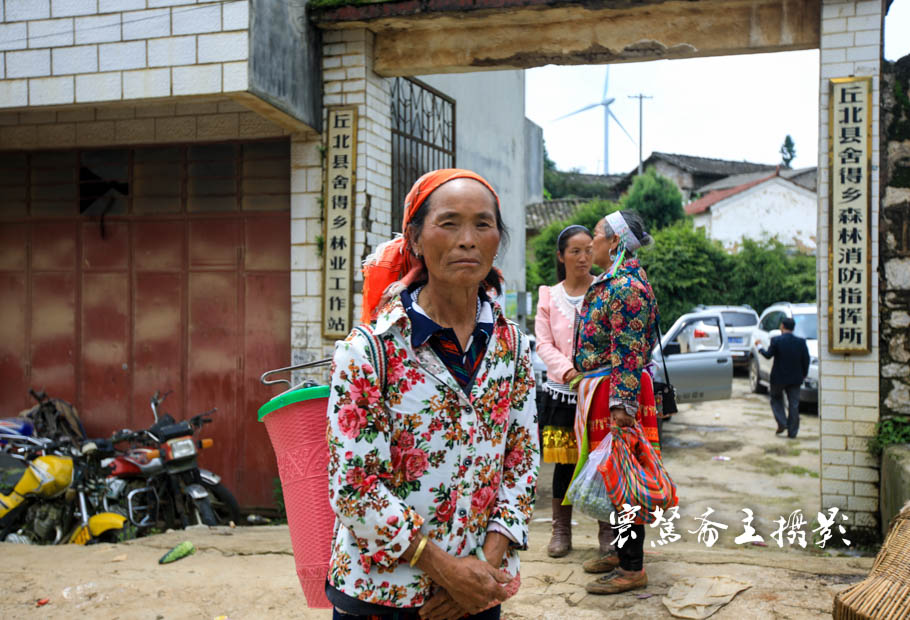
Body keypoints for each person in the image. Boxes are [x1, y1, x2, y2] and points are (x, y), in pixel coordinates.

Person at [325, 169, 539, 620]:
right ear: (415, 239)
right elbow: (355, 488)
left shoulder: (513, 348)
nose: (467, 239)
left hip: (478, 593)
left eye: (483, 224)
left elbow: (521, 460)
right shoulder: (370, 351)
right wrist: (446, 571)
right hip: (383, 597)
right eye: (449, 223)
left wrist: (483, 567)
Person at [571, 210, 660, 596]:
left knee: (624, 478)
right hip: (605, 389)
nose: (591, 243)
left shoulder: (625, 288)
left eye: (596, 235)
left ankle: (631, 567)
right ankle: (618, 552)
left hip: (617, 393)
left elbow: (626, 352)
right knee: (612, 477)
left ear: (615, 243)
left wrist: (622, 405)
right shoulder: (616, 282)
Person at [534, 225, 594, 558]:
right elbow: (543, 342)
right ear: (561, 256)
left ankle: (607, 530)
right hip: (562, 392)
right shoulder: (549, 297)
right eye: (575, 251)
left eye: (588, 250)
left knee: (602, 461)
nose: (583, 257)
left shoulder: (604, 291)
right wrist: (569, 372)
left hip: (598, 390)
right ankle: (561, 530)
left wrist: (593, 375)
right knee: (565, 464)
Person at [757, 317, 810, 439]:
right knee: (794, 405)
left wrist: (759, 347)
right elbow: (805, 360)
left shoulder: (776, 340)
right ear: (793, 328)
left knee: (775, 399)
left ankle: (782, 422)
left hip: (778, 378)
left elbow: (768, 355)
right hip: (795, 378)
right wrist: (804, 374)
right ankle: (792, 432)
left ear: (782, 326)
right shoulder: (801, 342)